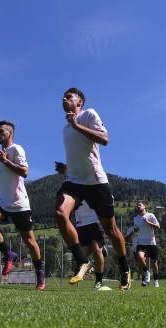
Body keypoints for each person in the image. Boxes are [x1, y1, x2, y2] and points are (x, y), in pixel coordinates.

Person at [54, 87, 131, 291]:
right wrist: (67, 169)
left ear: (80, 102)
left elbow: (104, 139)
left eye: (69, 96)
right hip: (74, 182)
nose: (64, 98)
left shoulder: (89, 114)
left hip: (96, 182)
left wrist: (77, 125)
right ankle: (82, 261)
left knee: (111, 231)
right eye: (63, 96)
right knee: (61, 213)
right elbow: (80, 156)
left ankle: (125, 268)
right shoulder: (65, 128)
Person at [0, 120, 45, 290]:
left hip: (18, 203)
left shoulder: (16, 149)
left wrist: (6, 161)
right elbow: (7, 176)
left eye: (1, 131)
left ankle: (40, 275)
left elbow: (24, 172)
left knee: (29, 241)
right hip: (2, 201)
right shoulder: (0, 153)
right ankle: (9, 254)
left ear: (10, 133)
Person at [55, 162, 107, 290]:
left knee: (96, 249)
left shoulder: (93, 180)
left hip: (94, 221)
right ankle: (84, 269)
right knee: (81, 255)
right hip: (81, 225)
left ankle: (99, 281)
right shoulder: (72, 182)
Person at [132, 201, 161, 287]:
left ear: (144, 206)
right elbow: (136, 229)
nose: (138, 206)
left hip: (151, 242)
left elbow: (158, 227)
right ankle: (146, 272)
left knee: (154, 263)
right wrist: (135, 229)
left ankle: (156, 281)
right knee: (140, 257)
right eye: (137, 205)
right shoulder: (136, 218)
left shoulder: (150, 215)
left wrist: (148, 222)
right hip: (141, 242)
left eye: (140, 205)